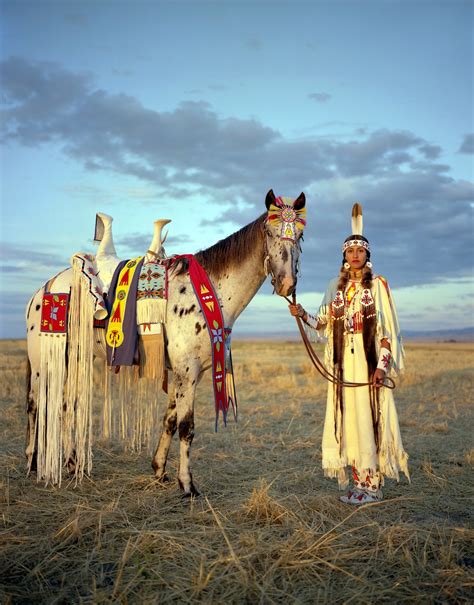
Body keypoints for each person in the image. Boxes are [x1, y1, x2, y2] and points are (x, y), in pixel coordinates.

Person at [289, 203, 409, 504]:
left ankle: (372, 486)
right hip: (343, 366)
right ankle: (357, 483)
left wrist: (381, 368)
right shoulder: (334, 287)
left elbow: (386, 333)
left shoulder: (378, 287)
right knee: (348, 420)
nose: (355, 255)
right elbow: (324, 324)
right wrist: (302, 313)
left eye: (360, 251)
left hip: (368, 366)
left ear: (367, 254)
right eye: (350, 251)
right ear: (344, 255)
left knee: (368, 418)